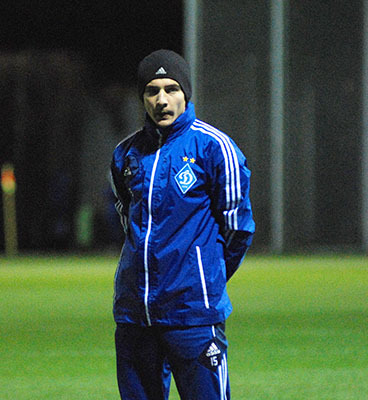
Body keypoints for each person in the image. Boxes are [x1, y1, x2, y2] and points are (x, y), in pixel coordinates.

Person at [110, 49, 255, 400]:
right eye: (152, 91)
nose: (162, 100)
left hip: (193, 315)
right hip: (135, 316)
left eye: (171, 89)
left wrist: (203, 277)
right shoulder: (125, 154)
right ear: (142, 97)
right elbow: (129, 222)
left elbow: (238, 228)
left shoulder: (215, 147)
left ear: (186, 93)